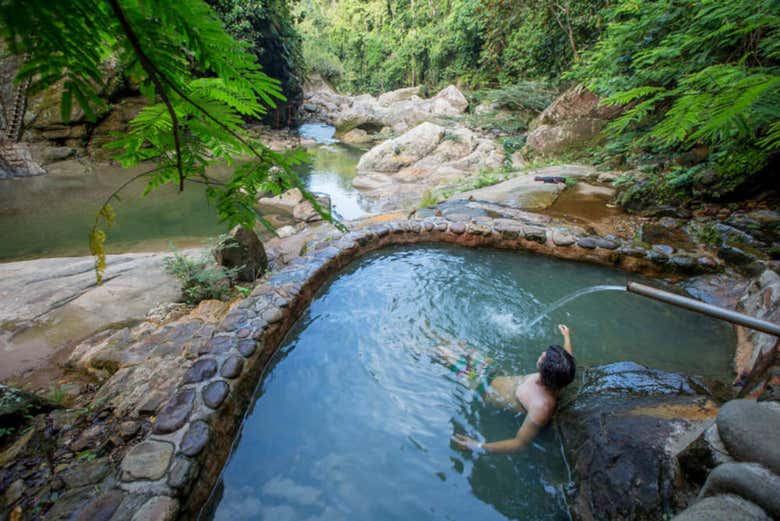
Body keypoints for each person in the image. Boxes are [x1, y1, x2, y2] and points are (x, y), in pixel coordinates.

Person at [437, 324, 575, 454]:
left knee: (443, 353)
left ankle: (417, 347)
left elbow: (519, 444)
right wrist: (567, 337)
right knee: (457, 344)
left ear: (546, 372)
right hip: (492, 371)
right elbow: (568, 358)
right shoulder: (562, 375)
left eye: (543, 358)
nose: (543, 353)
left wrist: (477, 446)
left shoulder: (541, 407)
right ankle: (427, 331)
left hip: (481, 385)